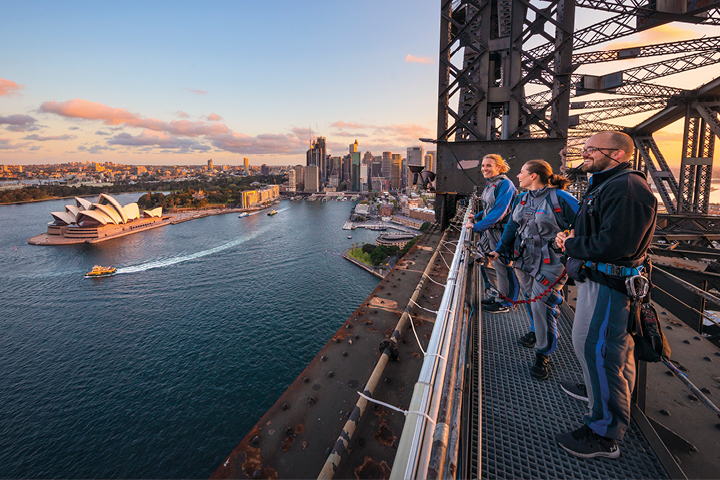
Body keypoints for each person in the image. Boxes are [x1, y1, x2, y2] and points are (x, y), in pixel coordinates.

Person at [554, 131, 657, 459]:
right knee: (608, 352)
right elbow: (604, 232)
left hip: (609, 286)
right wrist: (577, 237)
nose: (584, 155)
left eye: (590, 150)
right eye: (584, 149)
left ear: (616, 154)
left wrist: (570, 244)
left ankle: (603, 434)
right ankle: (599, 390)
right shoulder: (610, 183)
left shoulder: (627, 190)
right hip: (601, 280)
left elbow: (617, 245)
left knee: (598, 350)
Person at [489, 159, 578, 379]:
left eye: (521, 172)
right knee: (530, 297)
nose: (517, 176)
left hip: (551, 262)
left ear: (534, 176)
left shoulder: (562, 198)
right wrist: (499, 250)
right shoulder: (522, 198)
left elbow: (585, 225)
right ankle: (535, 331)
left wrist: (570, 237)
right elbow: (512, 225)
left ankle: (543, 353)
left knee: (542, 305)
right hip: (524, 258)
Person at [465, 154, 519, 313]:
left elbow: (500, 211)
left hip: (502, 231)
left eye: (489, 165)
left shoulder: (505, 185)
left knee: (505, 266)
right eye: (483, 165)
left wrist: (476, 227)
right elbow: (490, 208)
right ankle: (499, 296)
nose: (484, 169)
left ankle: (507, 303)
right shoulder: (490, 185)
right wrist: (478, 216)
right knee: (495, 264)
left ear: (499, 168)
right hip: (492, 231)